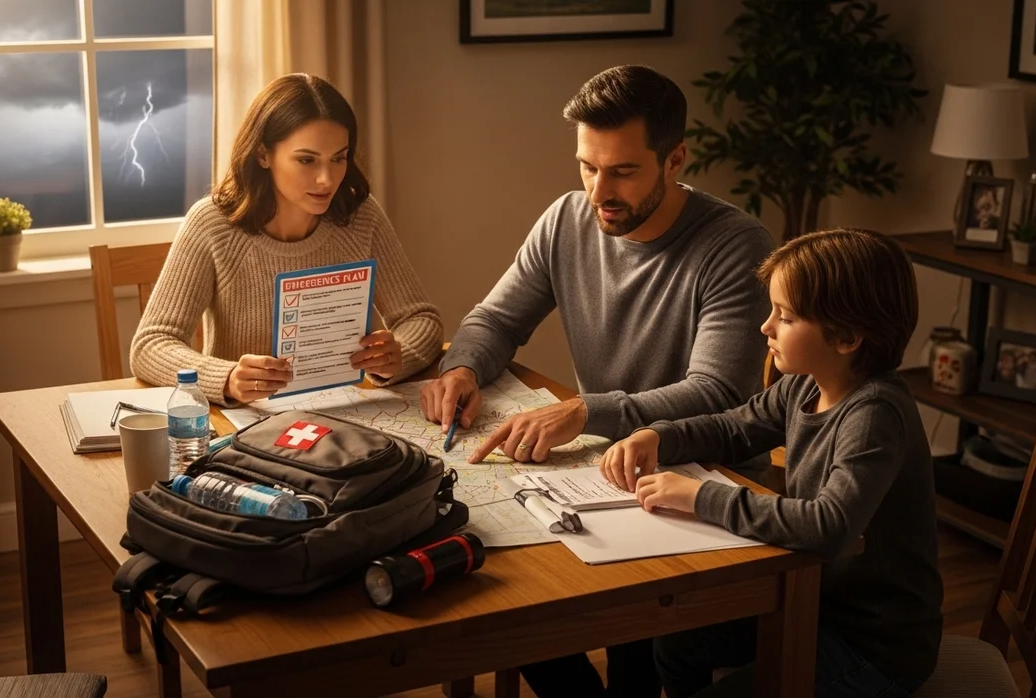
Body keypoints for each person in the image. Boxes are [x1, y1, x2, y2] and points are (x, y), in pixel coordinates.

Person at [420, 65, 774, 698]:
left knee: (550, 616)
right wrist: (463, 366)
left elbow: (720, 392)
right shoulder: (567, 220)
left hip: (706, 486)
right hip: (602, 471)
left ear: (676, 159)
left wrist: (585, 411)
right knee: (493, 599)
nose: (598, 190)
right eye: (587, 166)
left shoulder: (734, 244)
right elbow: (496, 319)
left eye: (622, 171)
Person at [601, 228, 943, 697]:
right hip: (811, 602)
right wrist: (657, 435)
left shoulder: (874, 415)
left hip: (873, 644)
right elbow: (731, 428)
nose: (766, 327)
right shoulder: (806, 383)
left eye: (785, 316)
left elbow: (829, 526)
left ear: (845, 336)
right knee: (676, 644)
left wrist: (701, 497)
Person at [131, 74, 442, 405]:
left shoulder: (361, 216)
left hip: (344, 414)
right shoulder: (211, 224)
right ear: (263, 155)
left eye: (339, 157)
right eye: (307, 160)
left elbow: (421, 320)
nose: (327, 179)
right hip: (242, 425)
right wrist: (226, 378)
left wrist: (398, 356)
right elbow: (151, 345)